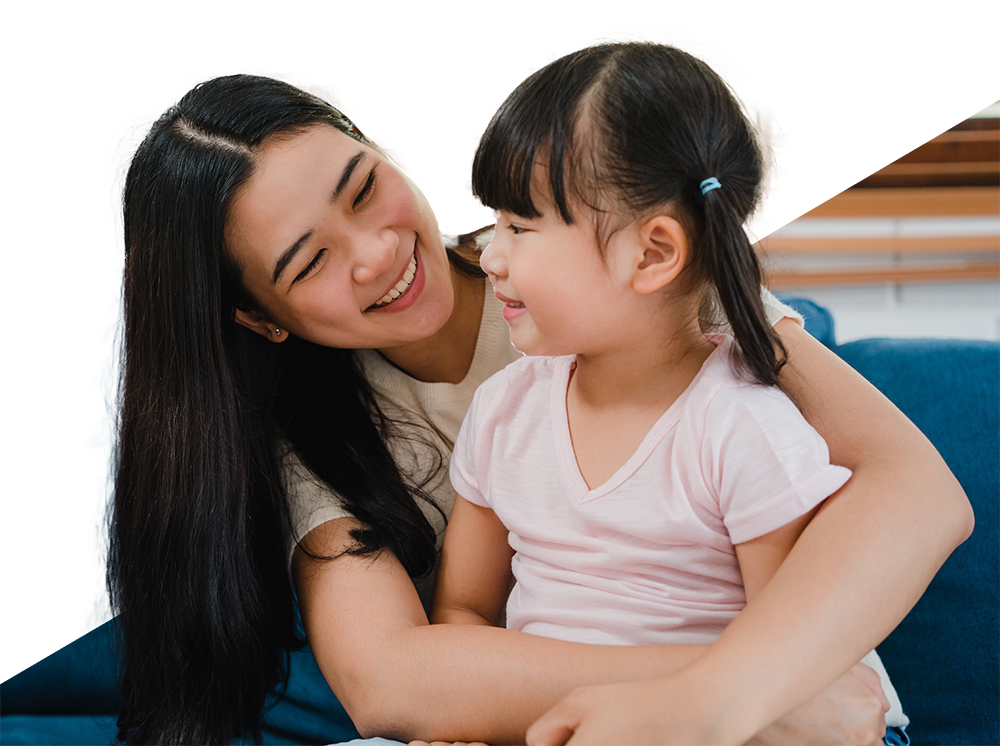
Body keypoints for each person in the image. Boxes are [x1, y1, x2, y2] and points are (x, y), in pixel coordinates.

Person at [103, 61, 971, 746]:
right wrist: (739, 695)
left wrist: (728, 697)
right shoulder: (314, 437)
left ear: (385, 151)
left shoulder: (618, 269)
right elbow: (392, 682)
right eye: (309, 264)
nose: (375, 252)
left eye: (364, 188)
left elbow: (917, 492)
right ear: (259, 316)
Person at [421, 39, 913, 746]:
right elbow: (464, 610)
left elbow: (793, 668)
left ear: (652, 254)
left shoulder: (741, 427)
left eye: (520, 228)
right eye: (493, 222)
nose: (489, 254)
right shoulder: (503, 411)